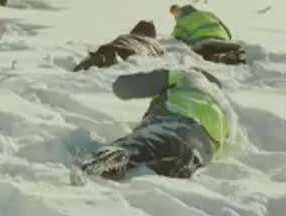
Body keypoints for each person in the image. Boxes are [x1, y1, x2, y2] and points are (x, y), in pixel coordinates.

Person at [79, 67, 235, 181]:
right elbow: (225, 150)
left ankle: (111, 158)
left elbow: (124, 87)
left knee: (137, 146)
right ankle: (174, 166)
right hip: (202, 148)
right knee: (182, 157)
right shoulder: (226, 112)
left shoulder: (188, 78)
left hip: (173, 123)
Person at [169, 4, 246, 64]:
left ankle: (220, 58)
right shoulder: (208, 14)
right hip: (223, 40)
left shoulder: (181, 24)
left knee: (202, 54)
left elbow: (174, 40)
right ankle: (233, 55)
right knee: (220, 48)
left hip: (203, 44)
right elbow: (228, 32)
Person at [73, 20, 164, 71]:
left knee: (108, 52)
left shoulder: (127, 35)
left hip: (113, 46)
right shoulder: (154, 42)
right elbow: (161, 54)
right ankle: (112, 59)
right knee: (121, 57)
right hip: (133, 51)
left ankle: (97, 59)